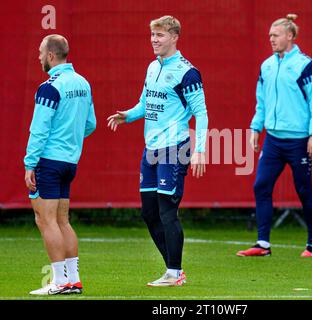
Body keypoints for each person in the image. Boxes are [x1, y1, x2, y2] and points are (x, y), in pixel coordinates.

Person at [107, 16, 208, 286]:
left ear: (175, 37)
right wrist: (127, 115)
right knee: (149, 213)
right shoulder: (153, 67)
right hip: (151, 149)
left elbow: (201, 113)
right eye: (152, 35)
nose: (154, 40)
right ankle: (173, 270)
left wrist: (200, 150)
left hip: (175, 147)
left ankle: (174, 273)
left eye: (160, 35)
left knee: (167, 212)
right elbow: (145, 103)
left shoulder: (188, 73)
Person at [237, 14, 312, 258]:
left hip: (299, 141)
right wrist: (256, 128)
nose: (271, 39)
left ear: (290, 36)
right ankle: (263, 245)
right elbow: (262, 102)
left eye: (275, 35)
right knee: (261, 186)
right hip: (274, 140)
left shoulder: (305, 65)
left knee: (303, 190)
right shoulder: (266, 65)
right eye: (269, 36)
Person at [24, 34, 96, 295]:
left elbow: (39, 130)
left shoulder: (49, 87)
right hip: (69, 162)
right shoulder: (83, 83)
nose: (39, 56)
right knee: (63, 220)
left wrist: (29, 164)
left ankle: (59, 282)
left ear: (51, 56)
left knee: (46, 220)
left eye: (41, 52)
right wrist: (70, 139)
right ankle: (72, 280)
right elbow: (90, 124)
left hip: (48, 162)